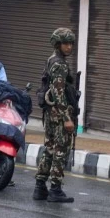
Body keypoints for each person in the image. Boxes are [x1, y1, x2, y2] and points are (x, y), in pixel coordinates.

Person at [34, 28, 78, 204]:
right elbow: (58, 92)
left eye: (71, 43)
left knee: (50, 149)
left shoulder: (52, 60)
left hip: (51, 114)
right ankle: (55, 189)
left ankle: (40, 186)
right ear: (58, 44)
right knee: (60, 150)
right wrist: (67, 118)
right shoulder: (59, 64)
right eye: (66, 43)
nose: (69, 47)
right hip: (59, 115)